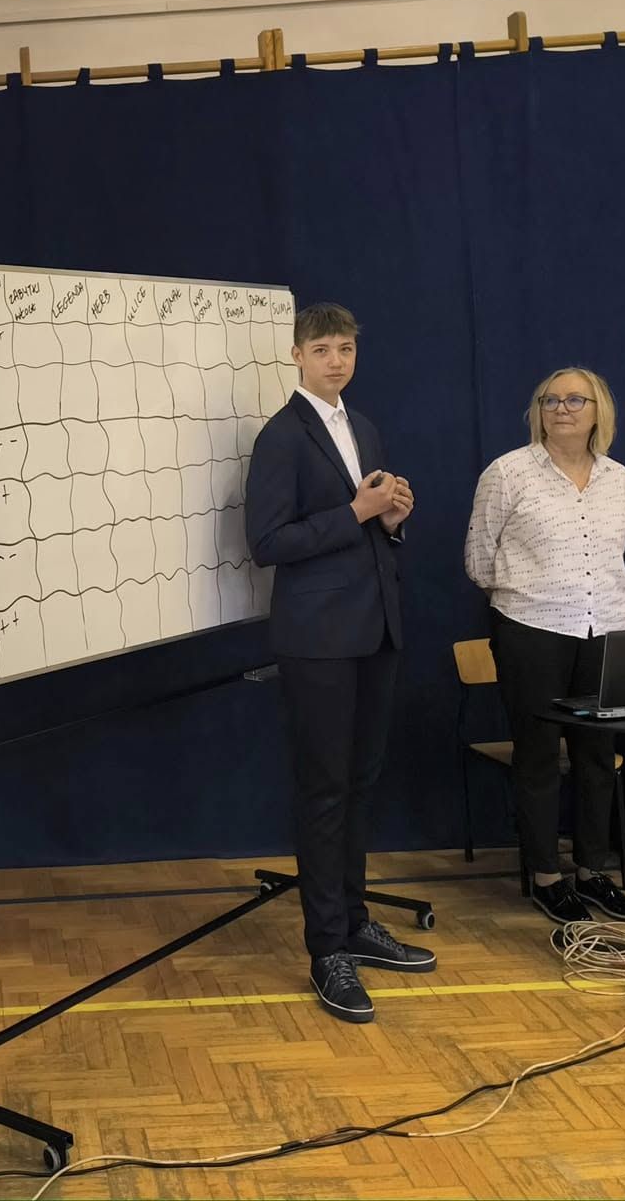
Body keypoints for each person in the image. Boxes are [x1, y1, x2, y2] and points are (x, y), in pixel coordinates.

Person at [245, 301, 432, 1025]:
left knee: (360, 785)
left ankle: (354, 921)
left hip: (375, 630)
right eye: (322, 349)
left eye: (346, 349)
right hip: (317, 639)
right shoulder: (280, 436)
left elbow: (370, 527)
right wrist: (355, 513)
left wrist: (392, 521)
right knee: (324, 793)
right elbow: (267, 542)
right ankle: (326, 949)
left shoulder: (365, 427)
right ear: (296, 355)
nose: (336, 361)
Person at [464, 367, 625, 929]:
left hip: (605, 630)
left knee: (597, 757)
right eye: (550, 400)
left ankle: (592, 872)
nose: (561, 409)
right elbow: (479, 558)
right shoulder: (508, 473)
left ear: (598, 411)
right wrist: (529, 596)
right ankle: (547, 878)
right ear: (537, 412)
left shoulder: (620, 479)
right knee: (539, 756)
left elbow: (613, 555)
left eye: (574, 400)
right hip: (530, 629)